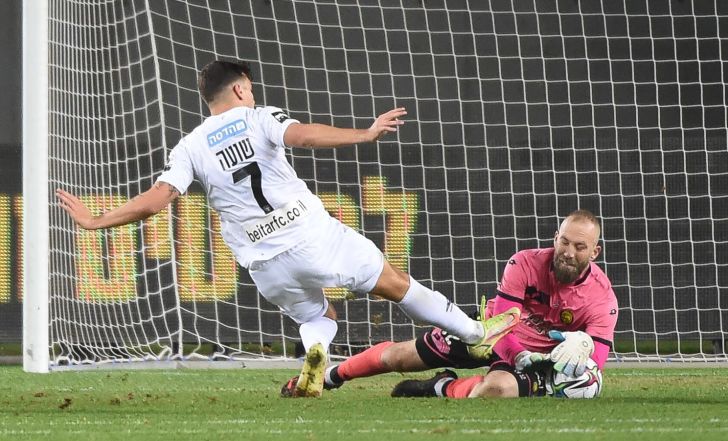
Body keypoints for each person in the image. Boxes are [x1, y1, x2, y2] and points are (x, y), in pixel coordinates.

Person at [56, 59, 519, 398]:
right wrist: (364, 133)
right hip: (310, 235)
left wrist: (96, 220)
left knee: (318, 318)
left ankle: (315, 356)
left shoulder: (189, 147)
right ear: (240, 89)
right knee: (396, 284)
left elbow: (157, 200)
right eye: (251, 89)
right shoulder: (259, 117)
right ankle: (475, 334)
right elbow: (303, 135)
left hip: (263, 262)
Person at [316, 210, 618, 399]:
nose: (568, 252)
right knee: (399, 357)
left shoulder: (602, 299)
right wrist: (519, 356)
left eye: (580, 247)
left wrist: (582, 351)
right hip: (486, 334)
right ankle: (329, 376)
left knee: (496, 390)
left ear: (595, 252)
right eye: (564, 242)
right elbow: (502, 323)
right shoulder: (524, 263)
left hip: (537, 360)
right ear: (555, 238)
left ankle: (440, 386)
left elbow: (597, 362)